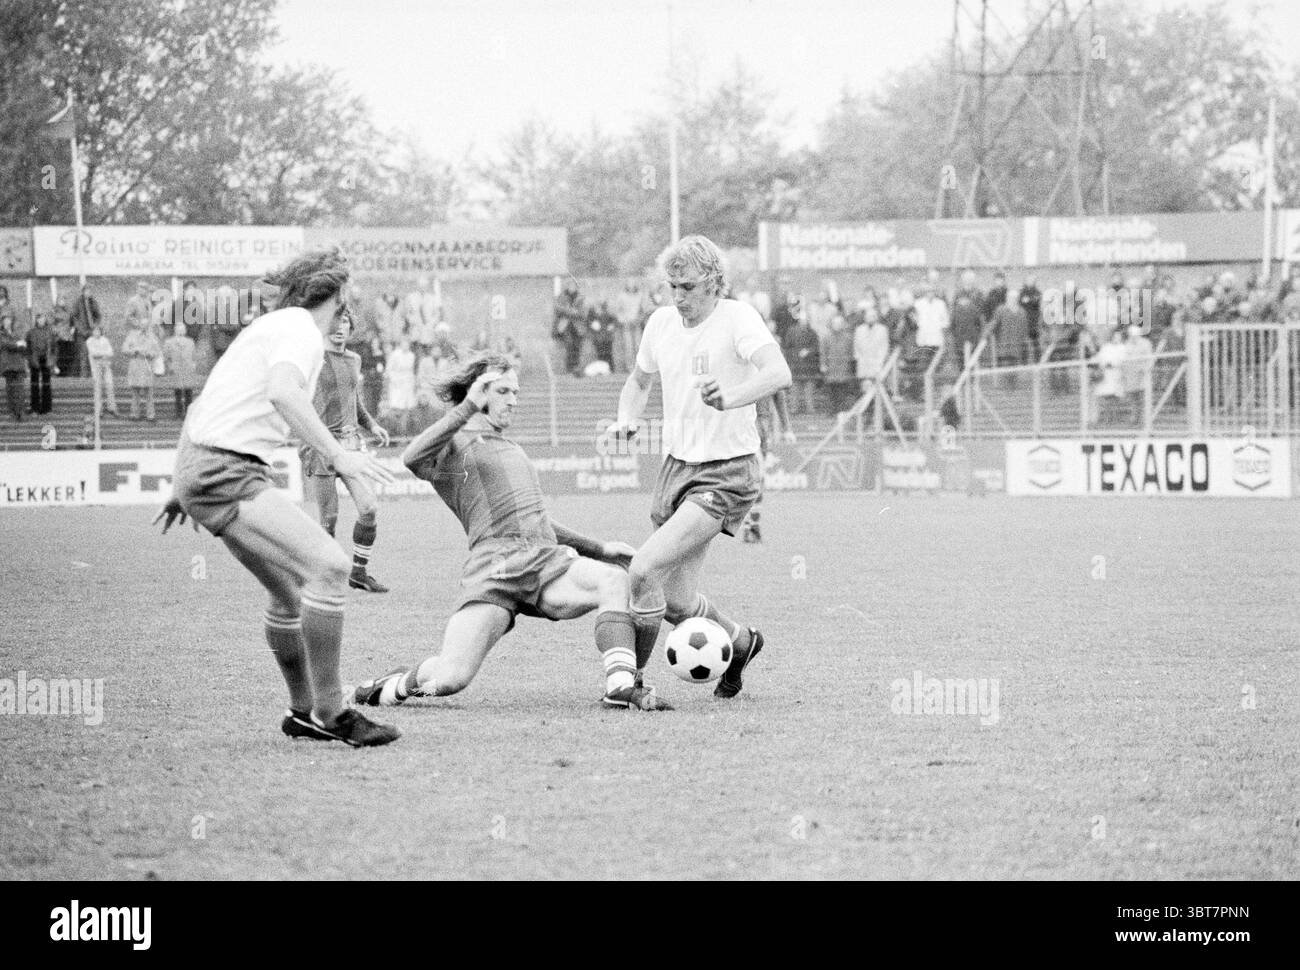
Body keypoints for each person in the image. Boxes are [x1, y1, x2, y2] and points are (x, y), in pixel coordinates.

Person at [153, 248, 399, 748]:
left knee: (288, 591)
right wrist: (341, 457)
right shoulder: (300, 331)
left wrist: (181, 483)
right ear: (336, 295)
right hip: (227, 469)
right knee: (330, 567)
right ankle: (333, 712)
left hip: (206, 466)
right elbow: (284, 394)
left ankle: (303, 711)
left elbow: (205, 402)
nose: (348, 308)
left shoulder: (270, 327)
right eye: (346, 295)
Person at [353, 353, 672, 711]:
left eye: (516, 392)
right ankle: (394, 686)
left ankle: (620, 687)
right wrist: (468, 407)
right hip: (493, 568)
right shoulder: (452, 446)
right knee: (448, 679)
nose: (513, 400)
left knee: (613, 580)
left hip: (542, 561)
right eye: (503, 391)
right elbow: (411, 457)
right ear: (479, 392)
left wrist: (598, 548)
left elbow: (535, 521)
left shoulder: (513, 448)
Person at [613, 235, 792, 698]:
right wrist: (626, 419)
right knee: (676, 603)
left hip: (727, 472)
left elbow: (778, 373)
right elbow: (637, 382)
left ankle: (630, 682)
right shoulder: (660, 324)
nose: (678, 297)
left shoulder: (738, 318)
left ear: (714, 282)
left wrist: (729, 398)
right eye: (671, 287)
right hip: (677, 469)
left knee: (643, 569)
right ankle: (741, 641)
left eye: (688, 287)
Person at [299, 309, 392, 593]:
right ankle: (321, 577)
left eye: (345, 322)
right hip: (322, 445)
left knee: (369, 508)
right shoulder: (313, 359)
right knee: (329, 518)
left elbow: (355, 401)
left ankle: (359, 574)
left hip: (351, 445)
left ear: (351, 327)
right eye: (334, 322)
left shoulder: (355, 360)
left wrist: (371, 425)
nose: (340, 327)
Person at [783, 302, 821, 414]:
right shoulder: (791, 331)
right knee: (795, 390)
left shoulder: (812, 332)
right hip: (795, 366)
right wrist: (793, 357)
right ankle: (794, 409)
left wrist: (808, 351)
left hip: (809, 367)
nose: (803, 321)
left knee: (809, 391)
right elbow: (787, 347)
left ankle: (810, 409)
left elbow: (816, 347)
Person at [122, 318, 161, 422]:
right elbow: (124, 349)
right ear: (139, 325)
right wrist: (134, 351)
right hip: (135, 365)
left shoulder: (153, 337)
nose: (144, 326)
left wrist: (149, 353)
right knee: (135, 392)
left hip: (147, 366)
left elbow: (157, 352)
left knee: (149, 393)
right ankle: (134, 414)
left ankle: (150, 415)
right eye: (142, 324)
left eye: (146, 324)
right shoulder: (132, 336)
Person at [164, 320, 198, 419]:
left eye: (183, 329)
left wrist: (193, 365)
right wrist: (170, 366)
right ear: (175, 330)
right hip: (177, 369)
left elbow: (194, 355)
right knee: (178, 392)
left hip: (187, 369)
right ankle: (178, 413)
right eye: (179, 329)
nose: (181, 331)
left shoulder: (190, 341)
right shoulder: (169, 342)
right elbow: (166, 356)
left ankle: (188, 413)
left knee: (188, 392)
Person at [26, 311, 56, 415]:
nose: (41, 320)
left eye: (43, 318)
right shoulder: (31, 332)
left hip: (46, 359)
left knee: (46, 384)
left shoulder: (50, 332)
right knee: (34, 385)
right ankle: (34, 408)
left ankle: (47, 408)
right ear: (36, 320)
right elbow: (28, 347)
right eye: (39, 318)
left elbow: (54, 347)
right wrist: (30, 360)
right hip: (35, 359)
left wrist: (53, 360)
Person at [86, 324, 118, 416]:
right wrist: (103, 354)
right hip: (96, 368)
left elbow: (111, 352)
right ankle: (99, 409)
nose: (97, 333)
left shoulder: (105, 340)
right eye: (95, 331)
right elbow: (94, 353)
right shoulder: (89, 341)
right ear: (92, 332)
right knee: (98, 387)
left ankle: (112, 407)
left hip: (106, 366)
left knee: (109, 385)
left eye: (98, 331)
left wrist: (102, 354)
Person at [70, 284, 101, 377]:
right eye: (87, 291)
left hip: (92, 331)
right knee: (83, 353)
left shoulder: (93, 302)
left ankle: (94, 375)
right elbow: (74, 317)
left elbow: (98, 315)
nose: (88, 293)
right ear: (83, 292)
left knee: (93, 353)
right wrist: (80, 329)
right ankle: (84, 376)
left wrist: (95, 326)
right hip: (81, 332)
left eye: (90, 291)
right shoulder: (78, 302)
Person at [1, 313, 27, 421]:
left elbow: (23, 346)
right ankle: (13, 412)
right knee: (11, 390)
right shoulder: (2, 334)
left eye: (9, 320)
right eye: (5, 320)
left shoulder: (16, 333)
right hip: (8, 365)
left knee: (20, 390)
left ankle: (20, 411)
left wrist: (20, 344)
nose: (8, 322)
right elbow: (5, 344)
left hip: (19, 365)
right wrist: (17, 344)